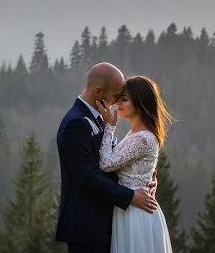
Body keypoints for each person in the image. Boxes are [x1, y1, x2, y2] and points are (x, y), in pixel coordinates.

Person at [55, 63, 158, 253]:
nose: (118, 101)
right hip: (86, 226)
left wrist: (145, 177)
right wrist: (130, 196)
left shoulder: (96, 118)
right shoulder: (76, 123)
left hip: (104, 222)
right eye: (117, 96)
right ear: (98, 91)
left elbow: (114, 157)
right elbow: (87, 177)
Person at [96, 75, 173, 253]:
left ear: (140, 102)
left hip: (136, 214)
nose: (117, 104)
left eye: (124, 99)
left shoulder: (142, 138)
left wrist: (109, 127)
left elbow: (106, 164)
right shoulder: (135, 133)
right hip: (130, 208)